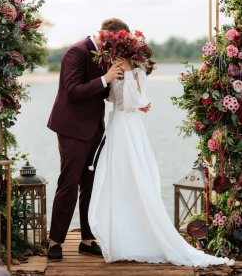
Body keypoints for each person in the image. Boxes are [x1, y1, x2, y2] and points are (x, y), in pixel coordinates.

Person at [88, 46, 234, 267]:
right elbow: (111, 99)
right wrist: (113, 77)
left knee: (135, 180)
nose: (115, 58)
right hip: (116, 126)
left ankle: (139, 238)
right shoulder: (115, 69)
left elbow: (134, 102)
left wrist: (129, 78)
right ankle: (120, 239)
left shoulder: (136, 72)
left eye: (118, 54)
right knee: (116, 181)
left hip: (129, 129)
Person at [47, 18, 129, 260]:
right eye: (116, 45)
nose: (115, 51)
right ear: (106, 36)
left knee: (91, 185)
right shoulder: (76, 52)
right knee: (69, 184)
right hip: (72, 129)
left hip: (95, 129)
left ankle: (87, 239)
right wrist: (106, 77)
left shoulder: (104, 57)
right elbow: (72, 91)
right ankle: (55, 242)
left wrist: (123, 85)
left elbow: (102, 93)